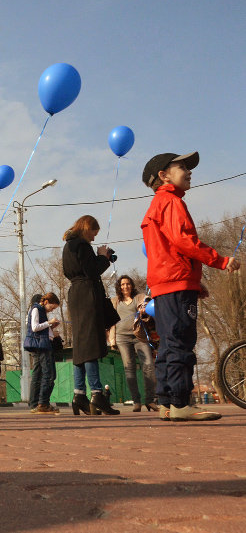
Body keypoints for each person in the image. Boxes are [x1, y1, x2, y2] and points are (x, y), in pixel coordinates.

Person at [140, 151, 240, 421]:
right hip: (175, 283)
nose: (189, 171)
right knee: (181, 341)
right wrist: (221, 261)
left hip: (166, 283)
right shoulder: (171, 201)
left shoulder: (157, 205)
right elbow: (184, 242)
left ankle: (167, 402)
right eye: (182, 166)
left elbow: (168, 251)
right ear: (164, 175)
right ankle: (181, 402)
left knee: (168, 343)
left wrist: (196, 282)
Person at [62, 215, 120, 416]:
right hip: (88, 295)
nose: (95, 238)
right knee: (92, 344)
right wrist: (103, 257)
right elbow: (92, 271)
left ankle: (79, 394)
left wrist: (101, 258)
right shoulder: (82, 245)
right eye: (94, 233)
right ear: (87, 228)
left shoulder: (69, 245)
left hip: (76, 295)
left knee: (81, 346)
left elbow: (80, 269)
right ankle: (96, 393)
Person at [112, 275, 158, 412]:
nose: (125, 286)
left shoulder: (139, 297)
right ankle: (136, 401)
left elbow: (146, 303)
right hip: (122, 338)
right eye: (122, 284)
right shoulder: (115, 301)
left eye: (127, 284)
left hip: (139, 336)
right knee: (129, 368)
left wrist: (144, 309)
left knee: (149, 365)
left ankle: (150, 400)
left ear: (131, 285)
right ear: (119, 287)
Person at [27, 293, 61, 414]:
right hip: (41, 346)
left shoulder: (41, 311)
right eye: (52, 307)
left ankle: (43, 402)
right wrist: (49, 323)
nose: (52, 310)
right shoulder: (36, 309)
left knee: (49, 374)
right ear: (46, 302)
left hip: (45, 344)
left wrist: (51, 325)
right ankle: (42, 403)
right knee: (48, 374)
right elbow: (35, 327)